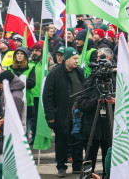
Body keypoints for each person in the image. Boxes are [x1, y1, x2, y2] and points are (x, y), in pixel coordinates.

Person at [43, 47, 86, 177]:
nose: (76, 61)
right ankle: (61, 166)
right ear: (66, 59)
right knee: (61, 142)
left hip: (78, 115)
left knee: (77, 141)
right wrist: (50, 116)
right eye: (74, 58)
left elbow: (84, 90)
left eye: (77, 59)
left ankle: (77, 165)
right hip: (61, 115)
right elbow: (47, 97)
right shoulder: (54, 74)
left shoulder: (79, 72)